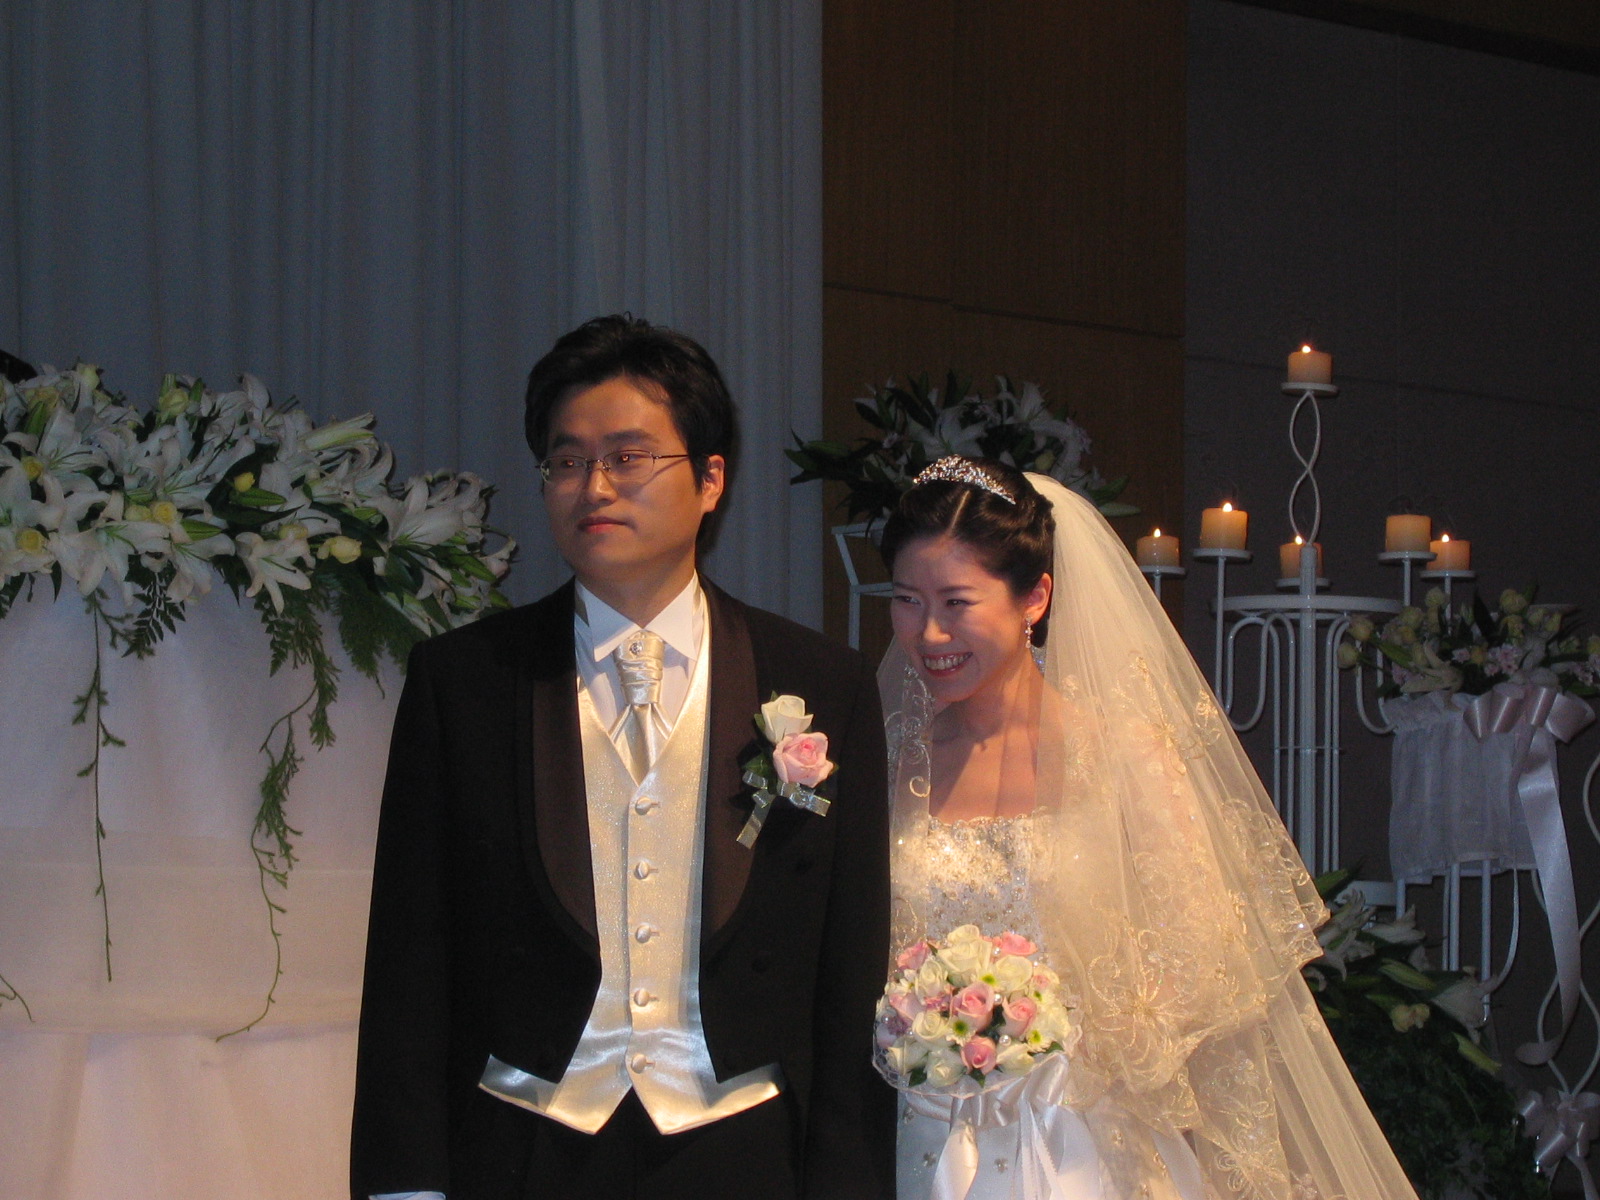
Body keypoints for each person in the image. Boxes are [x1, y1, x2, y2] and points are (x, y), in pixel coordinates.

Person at [350, 315, 895, 1200]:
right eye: (566, 460)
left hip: (743, 1152)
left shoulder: (823, 683)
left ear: (711, 479)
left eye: (628, 457)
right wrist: (405, 1185)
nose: (593, 486)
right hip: (524, 1148)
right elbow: (410, 959)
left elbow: (850, 968)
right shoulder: (465, 682)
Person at [876, 455, 1420, 1199]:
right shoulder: (893, 761)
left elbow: (1210, 957)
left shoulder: (1122, 754)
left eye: (957, 602)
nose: (929, 632)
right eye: (907, 600)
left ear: (1035, 598)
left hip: (1084, 1139)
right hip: (926, 1131)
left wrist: (1047, 1040)